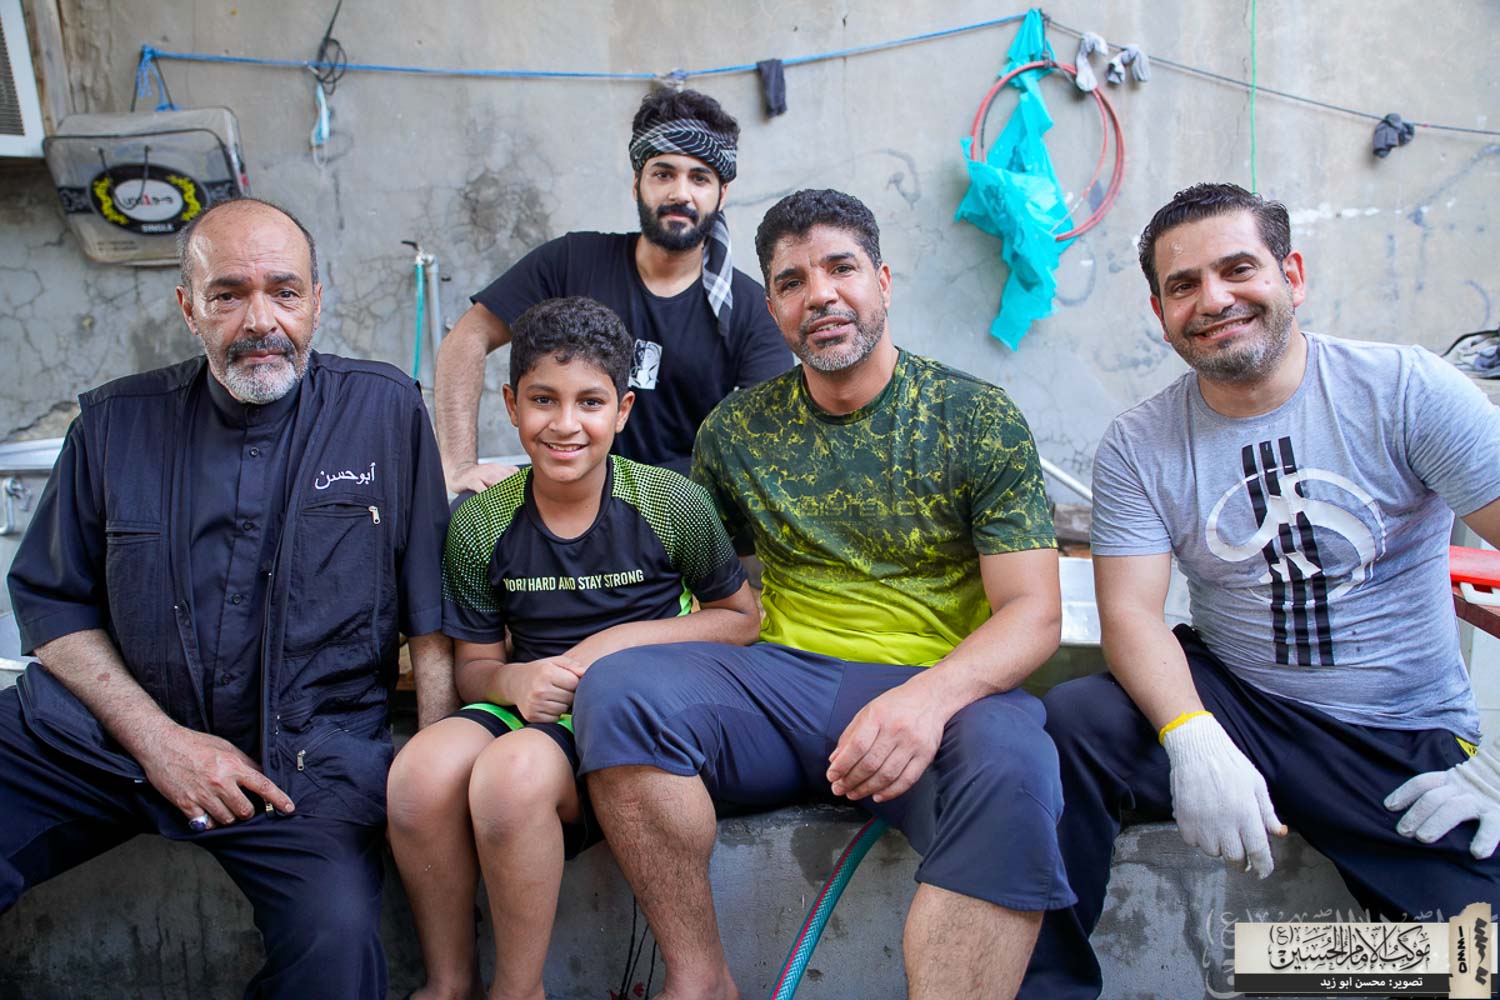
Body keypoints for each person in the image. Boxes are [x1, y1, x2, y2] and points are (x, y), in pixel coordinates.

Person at [572, 189, 1073, 1000]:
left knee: (1018, 768)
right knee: (620, 692)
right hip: (783, 686)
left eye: (842, 268)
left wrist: (926, 701)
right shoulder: (735, 433)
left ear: (883, 281)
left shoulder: (973, 416)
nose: (821, 295)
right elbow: (710, 591)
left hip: (939, 692)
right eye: (793, 282)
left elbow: (1034, 612)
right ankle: (699, 981)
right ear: (772, 307)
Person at [1022, 182, 1500, 998]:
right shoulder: (1140, 442)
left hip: (1396, 732)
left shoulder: (1405, 390)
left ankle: (1262, 965)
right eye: (1183, 285)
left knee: (1474, 965)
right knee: (1070, 724)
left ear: (1292, 275)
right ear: (1160, 311)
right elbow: (1131, 614)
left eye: (1237, 269)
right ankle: (1047, 989)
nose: (1214, 300)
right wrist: (1190, 736)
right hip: (1237, 701)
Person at [1, 198, 454, 999]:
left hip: (302, 765)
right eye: (228, 294)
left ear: (318, 300)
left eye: (284, 292)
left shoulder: (384, 411)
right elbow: (54, 605)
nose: (260, 321)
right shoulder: (111, 424)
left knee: (337, 954)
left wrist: (435, 774)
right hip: (102, 742)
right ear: (189, 308)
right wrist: (160, 743)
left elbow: (431, 612)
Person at [387, 296, 761, 1000]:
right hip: (529, 699)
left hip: (625, 715)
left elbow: (740, 618)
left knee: (510, 779)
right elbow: (476, 667)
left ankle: (518, 988)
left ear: (622, 410)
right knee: (418, 776)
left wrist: (614, 643)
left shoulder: (670, 502)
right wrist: (516, 682)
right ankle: (449, 981)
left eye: (590, 402)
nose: (565, 424)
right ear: (510, 405)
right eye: (543, 400)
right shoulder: (481, 523)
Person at [435, 86, 792, 491]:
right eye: (663, 174)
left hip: (683, 507)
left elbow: (762, 446)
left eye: (699, 178)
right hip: (566, 497)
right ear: (637, 183)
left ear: (721, 194)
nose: (680, 193)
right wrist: (459, 465)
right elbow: (468, 337)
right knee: (462, 512)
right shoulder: (572, 261)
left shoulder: (751, 310)